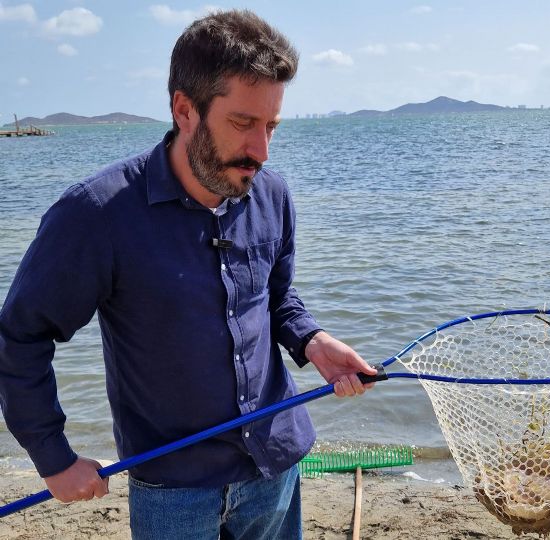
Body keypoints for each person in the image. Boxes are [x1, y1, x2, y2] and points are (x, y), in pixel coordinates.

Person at [0, 9, 376, 539]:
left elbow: (276, 300)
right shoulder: (96, 214)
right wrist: (53, 456)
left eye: (271, 126)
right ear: (184, 109)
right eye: (243, 124)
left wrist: (312, 342)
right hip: (173, 492)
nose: (260, 152)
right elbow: (21, 333)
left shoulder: (272, 194)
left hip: (276, 466)